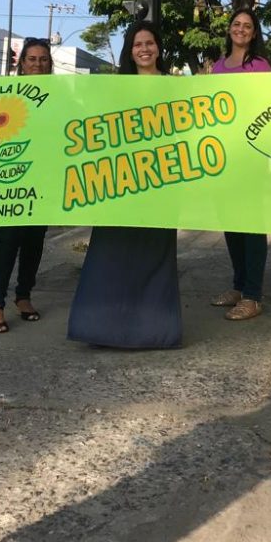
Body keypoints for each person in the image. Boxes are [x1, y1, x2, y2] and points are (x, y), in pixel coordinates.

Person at [67, 22, 182, 349]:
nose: (144, 49)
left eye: (150, 42)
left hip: (162, 185)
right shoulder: (115, 88)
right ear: (129, 51)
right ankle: (102, 328)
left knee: (154, 257)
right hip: (120, 184)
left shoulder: (176, 87)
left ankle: (154, 331)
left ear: (159, 47)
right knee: (112, 255)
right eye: (137, 44)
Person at [0, 38, 53, 333]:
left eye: (43, 59)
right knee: (7, 241)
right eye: (32, 59)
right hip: (11, 178)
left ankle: (23, 296)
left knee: (34, 242)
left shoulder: (61, 96)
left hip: (44, 178)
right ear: (21, 64)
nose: (37, 64)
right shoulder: (7, 94)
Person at [210, 7, 271, 320]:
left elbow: (270, 108)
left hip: (250, 156)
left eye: (248, 25)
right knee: (231, 222)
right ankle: (238, 284)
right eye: (237, 24)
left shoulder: (260, 66)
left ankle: (253, 295)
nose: (241, 29)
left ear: (254, 32)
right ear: (229, 29)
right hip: (223, 156)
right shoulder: (218, 66)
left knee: (251, 225)